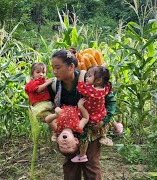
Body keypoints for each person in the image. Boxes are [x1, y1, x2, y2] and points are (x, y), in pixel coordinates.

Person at [47, 49, 117, 180]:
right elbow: (50, 106)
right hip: (69, 129)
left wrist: (104, 121)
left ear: (71, 66)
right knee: (70, 164)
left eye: (58, 67)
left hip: (91, 128)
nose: (54, 71)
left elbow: (110, 100)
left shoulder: (89, 80)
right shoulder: (55, 85)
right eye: (53, 68)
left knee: (90, 164)